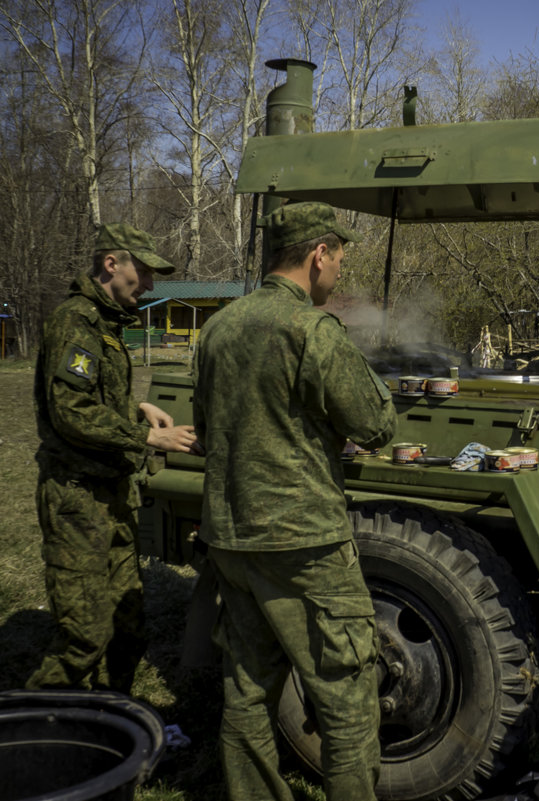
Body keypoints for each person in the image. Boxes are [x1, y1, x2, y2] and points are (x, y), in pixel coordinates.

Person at [192, 201, 396, 801]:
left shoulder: (218, 329)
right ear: (318, 254)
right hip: (304, 543)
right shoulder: (312, 329)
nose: (339, 272)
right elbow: (376, 422)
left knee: (248, 688)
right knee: (347, 691)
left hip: (231, 535)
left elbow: (208, 426)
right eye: (339, 258)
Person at [29, 223, 201, 693]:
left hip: (112, 495)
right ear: (112, 264)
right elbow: (69, 412)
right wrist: (145, 437)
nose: (148, 286)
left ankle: (114, 720)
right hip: (77, 501)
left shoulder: (104, 325)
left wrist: (135, 407)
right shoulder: (75, 321)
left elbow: (94, 400)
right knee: (85, 639)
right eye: (143, 273)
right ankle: (34, 735)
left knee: (128, 627)